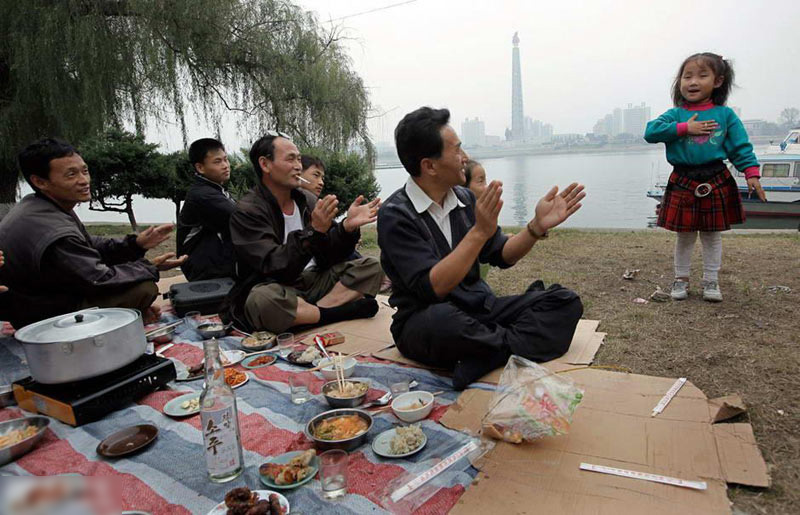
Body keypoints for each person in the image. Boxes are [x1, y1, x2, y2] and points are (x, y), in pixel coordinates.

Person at [377, 107, 586, 389]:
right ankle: (504, 345)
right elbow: (433, 288)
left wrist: (536, 227)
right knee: (443, 320)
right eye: (456, 150)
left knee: (565, 301)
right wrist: (478, 233)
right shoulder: (396, 214)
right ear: (430, 166)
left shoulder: (464, 198)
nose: (464, 157)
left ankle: (487, 355)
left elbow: (502, 254)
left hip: (480, 309)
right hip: (427, 319)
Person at [0, 138, 186, 329]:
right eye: (71, 174)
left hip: (49, 296)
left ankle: (129, 316)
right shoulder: (52, 230)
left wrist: (136, 244)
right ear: (40, 181)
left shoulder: (41, 205)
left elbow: (89, 245)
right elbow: (100, 280)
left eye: (85, 171)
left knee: (134, 279)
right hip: (40, 316)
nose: (84, 180)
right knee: (143, 288)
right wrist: (149, 267)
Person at [224, 132, 384, 333]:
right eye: (290, 159)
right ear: (265, 164)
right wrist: (313, 232)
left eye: (299, 159)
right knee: (262, 300)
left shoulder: (307, 200)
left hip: (314, 281)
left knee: (371, 266)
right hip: (278, 287)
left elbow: (330, 254)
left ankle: (312, 315)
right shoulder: (248, 211)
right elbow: (274, 267)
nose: (298, 166)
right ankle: (338, 313)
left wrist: (346, 228)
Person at [644, 52, 765, 303]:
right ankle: (681, 279)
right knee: (685, 235)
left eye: (701, 76)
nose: (693, 82)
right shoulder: (675, 115)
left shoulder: (725, 115)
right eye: (687, 76)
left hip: (716, 177)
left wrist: (751, 173)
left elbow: (740, 147)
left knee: (712, 234)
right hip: (683, 179)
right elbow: (651, 132)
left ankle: (711, 280)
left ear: (718, 81)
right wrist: (684, 128)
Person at [177, 138, 237, 281]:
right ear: (200, 168)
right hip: (206, 270)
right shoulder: (203, 195)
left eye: (226, 159)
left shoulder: (214, 189)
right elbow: (242, 217)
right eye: (217, 162)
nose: (225, 166)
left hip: (215, 264)